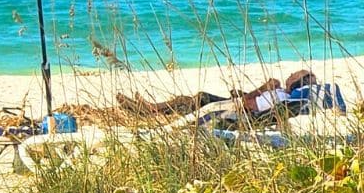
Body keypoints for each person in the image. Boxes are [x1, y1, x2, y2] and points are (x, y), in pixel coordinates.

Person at [116, 69, 318, 116]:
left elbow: (248, 105)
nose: (290, 74)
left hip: (235, 112)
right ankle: (151, 107)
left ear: (296, 82)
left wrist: (263, 87)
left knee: (199, 99)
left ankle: (151, 109)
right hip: (238, 106)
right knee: (193, 98)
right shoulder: (282, 94)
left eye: (294, 74)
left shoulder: (280, 96)